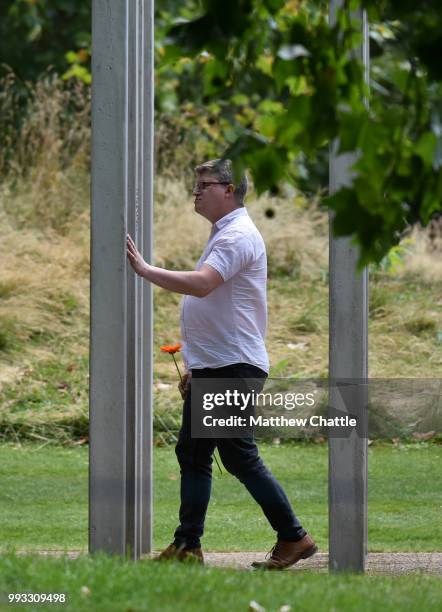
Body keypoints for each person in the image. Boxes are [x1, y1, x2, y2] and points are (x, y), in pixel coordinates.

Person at [126, 158, 317, 570]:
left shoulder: (238, 235)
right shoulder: (224, 233)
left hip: (234, 366)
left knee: (237, 455)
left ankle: (293, 536)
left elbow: (203, 284)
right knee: (195, 453)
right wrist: (197, 365)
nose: (195, 192)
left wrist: (145, 270)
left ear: (229, 190)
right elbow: (216, 305)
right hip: (220, 365)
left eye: (203, 185)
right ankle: (187, 545)